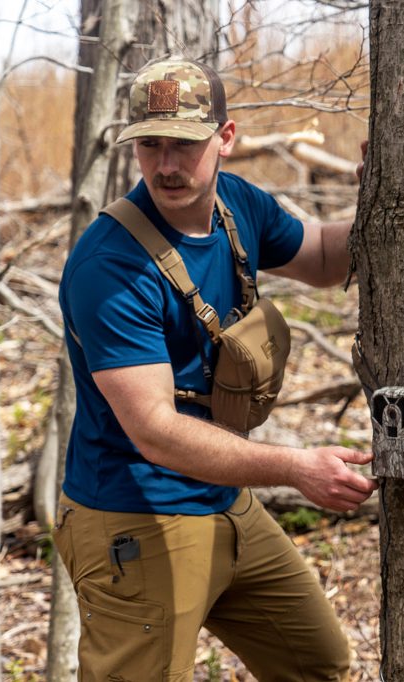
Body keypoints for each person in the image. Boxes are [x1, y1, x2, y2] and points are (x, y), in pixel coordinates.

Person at [54, 56, 377, 682]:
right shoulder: (110, 266)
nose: (167, 166)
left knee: (317, 665)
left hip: (224, 500)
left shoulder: (238, 205)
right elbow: (154, 429)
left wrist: (381, 199)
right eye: (151, 145)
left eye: (185, 144)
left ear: (225, 138)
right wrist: (294, 467)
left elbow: (322, 257)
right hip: (133, 519)